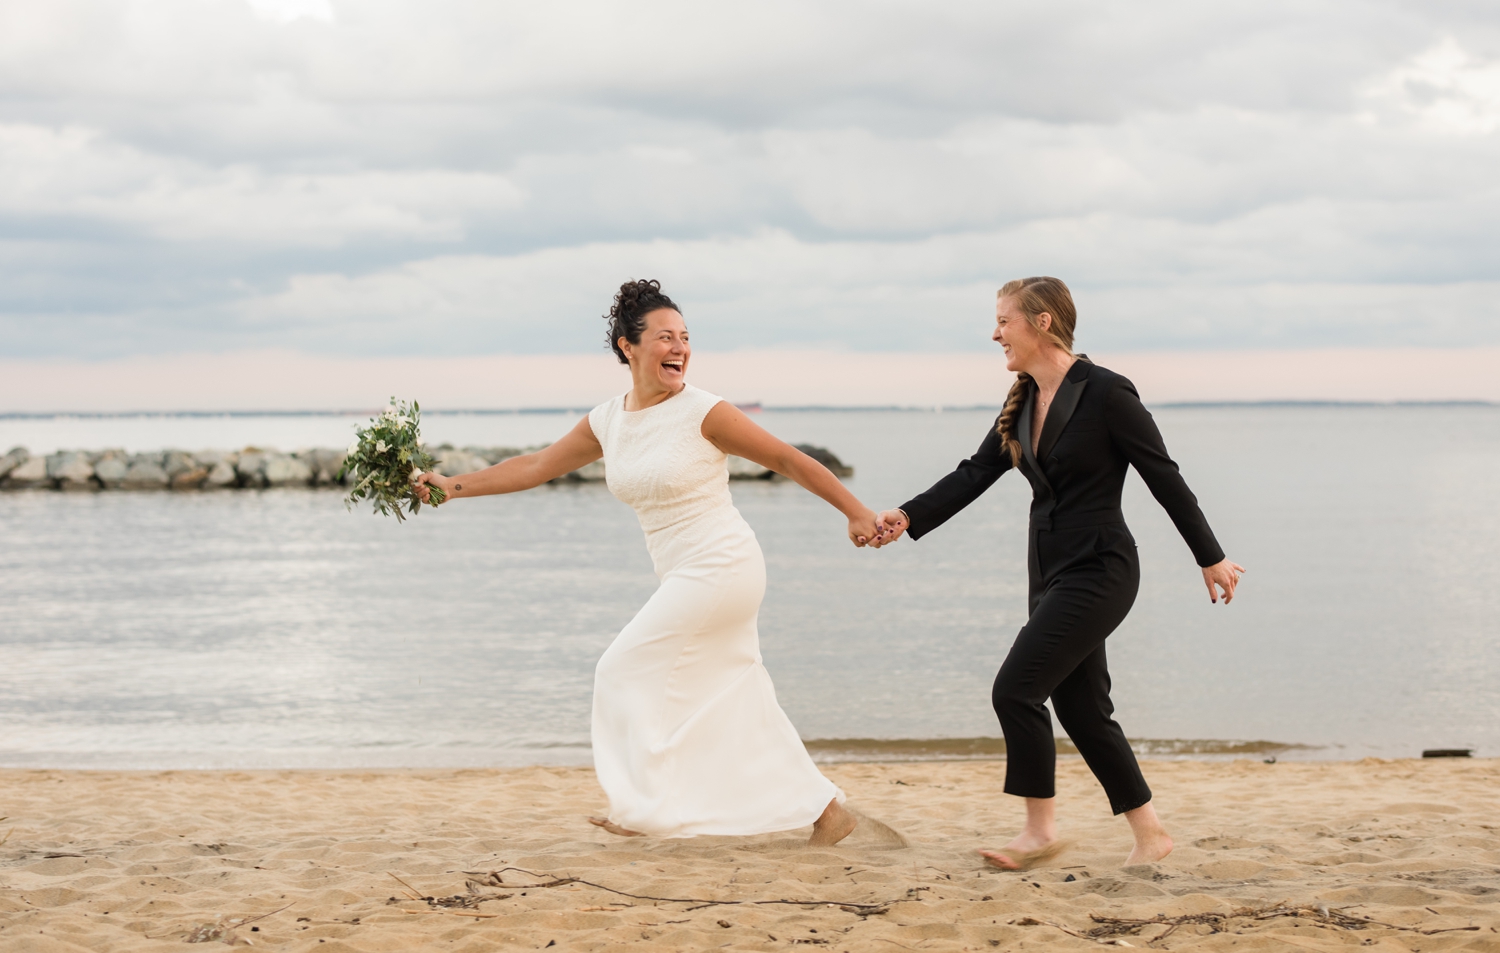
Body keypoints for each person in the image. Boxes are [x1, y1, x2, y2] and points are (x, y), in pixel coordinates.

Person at [414, 279, 882, 844]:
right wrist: (451, 487)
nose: (680, 348)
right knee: (729, 697)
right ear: (627, 347)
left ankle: (640, 809)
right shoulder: (609, 420)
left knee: (620, 669)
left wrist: (855, 512)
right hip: (684, 572)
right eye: (665, 337)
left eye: (685, 337)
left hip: (722, 565)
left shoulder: (704, 411)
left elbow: (786, 458)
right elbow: (536, 465)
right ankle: (828, 812)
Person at [867, 276, 1244, 869]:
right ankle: (1152, 835)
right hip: (1047, 572)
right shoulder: (1022, 399)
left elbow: (1163, 477)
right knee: (1084, 711)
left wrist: (1210, 556)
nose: (995, 334)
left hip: (1100, 568)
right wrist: (907, 515)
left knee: (1016, 689)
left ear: (1043, 323)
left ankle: (1039, 832)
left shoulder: (1107, 393)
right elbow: (974, 473)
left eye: (1004, 321)